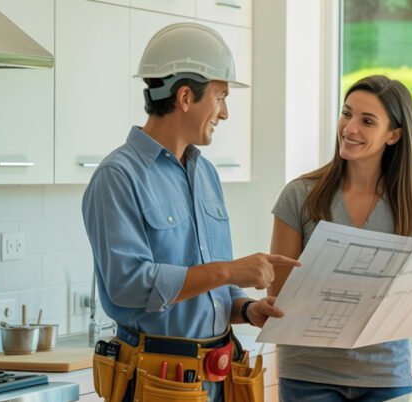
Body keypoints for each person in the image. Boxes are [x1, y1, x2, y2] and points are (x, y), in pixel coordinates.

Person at [82, 22, 299, 402]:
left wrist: (246, 308)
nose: (225, 113)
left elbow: (209, 282)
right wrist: (231, 270)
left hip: (221, 375)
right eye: (220, 97)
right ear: (185, 96)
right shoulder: (117, 177)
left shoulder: (205, 173)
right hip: (158, 382)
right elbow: (129, 284)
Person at [268, 75, 412, 401]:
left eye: (367, 121)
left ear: (394, 135)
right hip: (308, 373)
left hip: (385, 374)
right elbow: (277, 294)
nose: (349, 128)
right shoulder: (299, 195)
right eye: (347, 113)